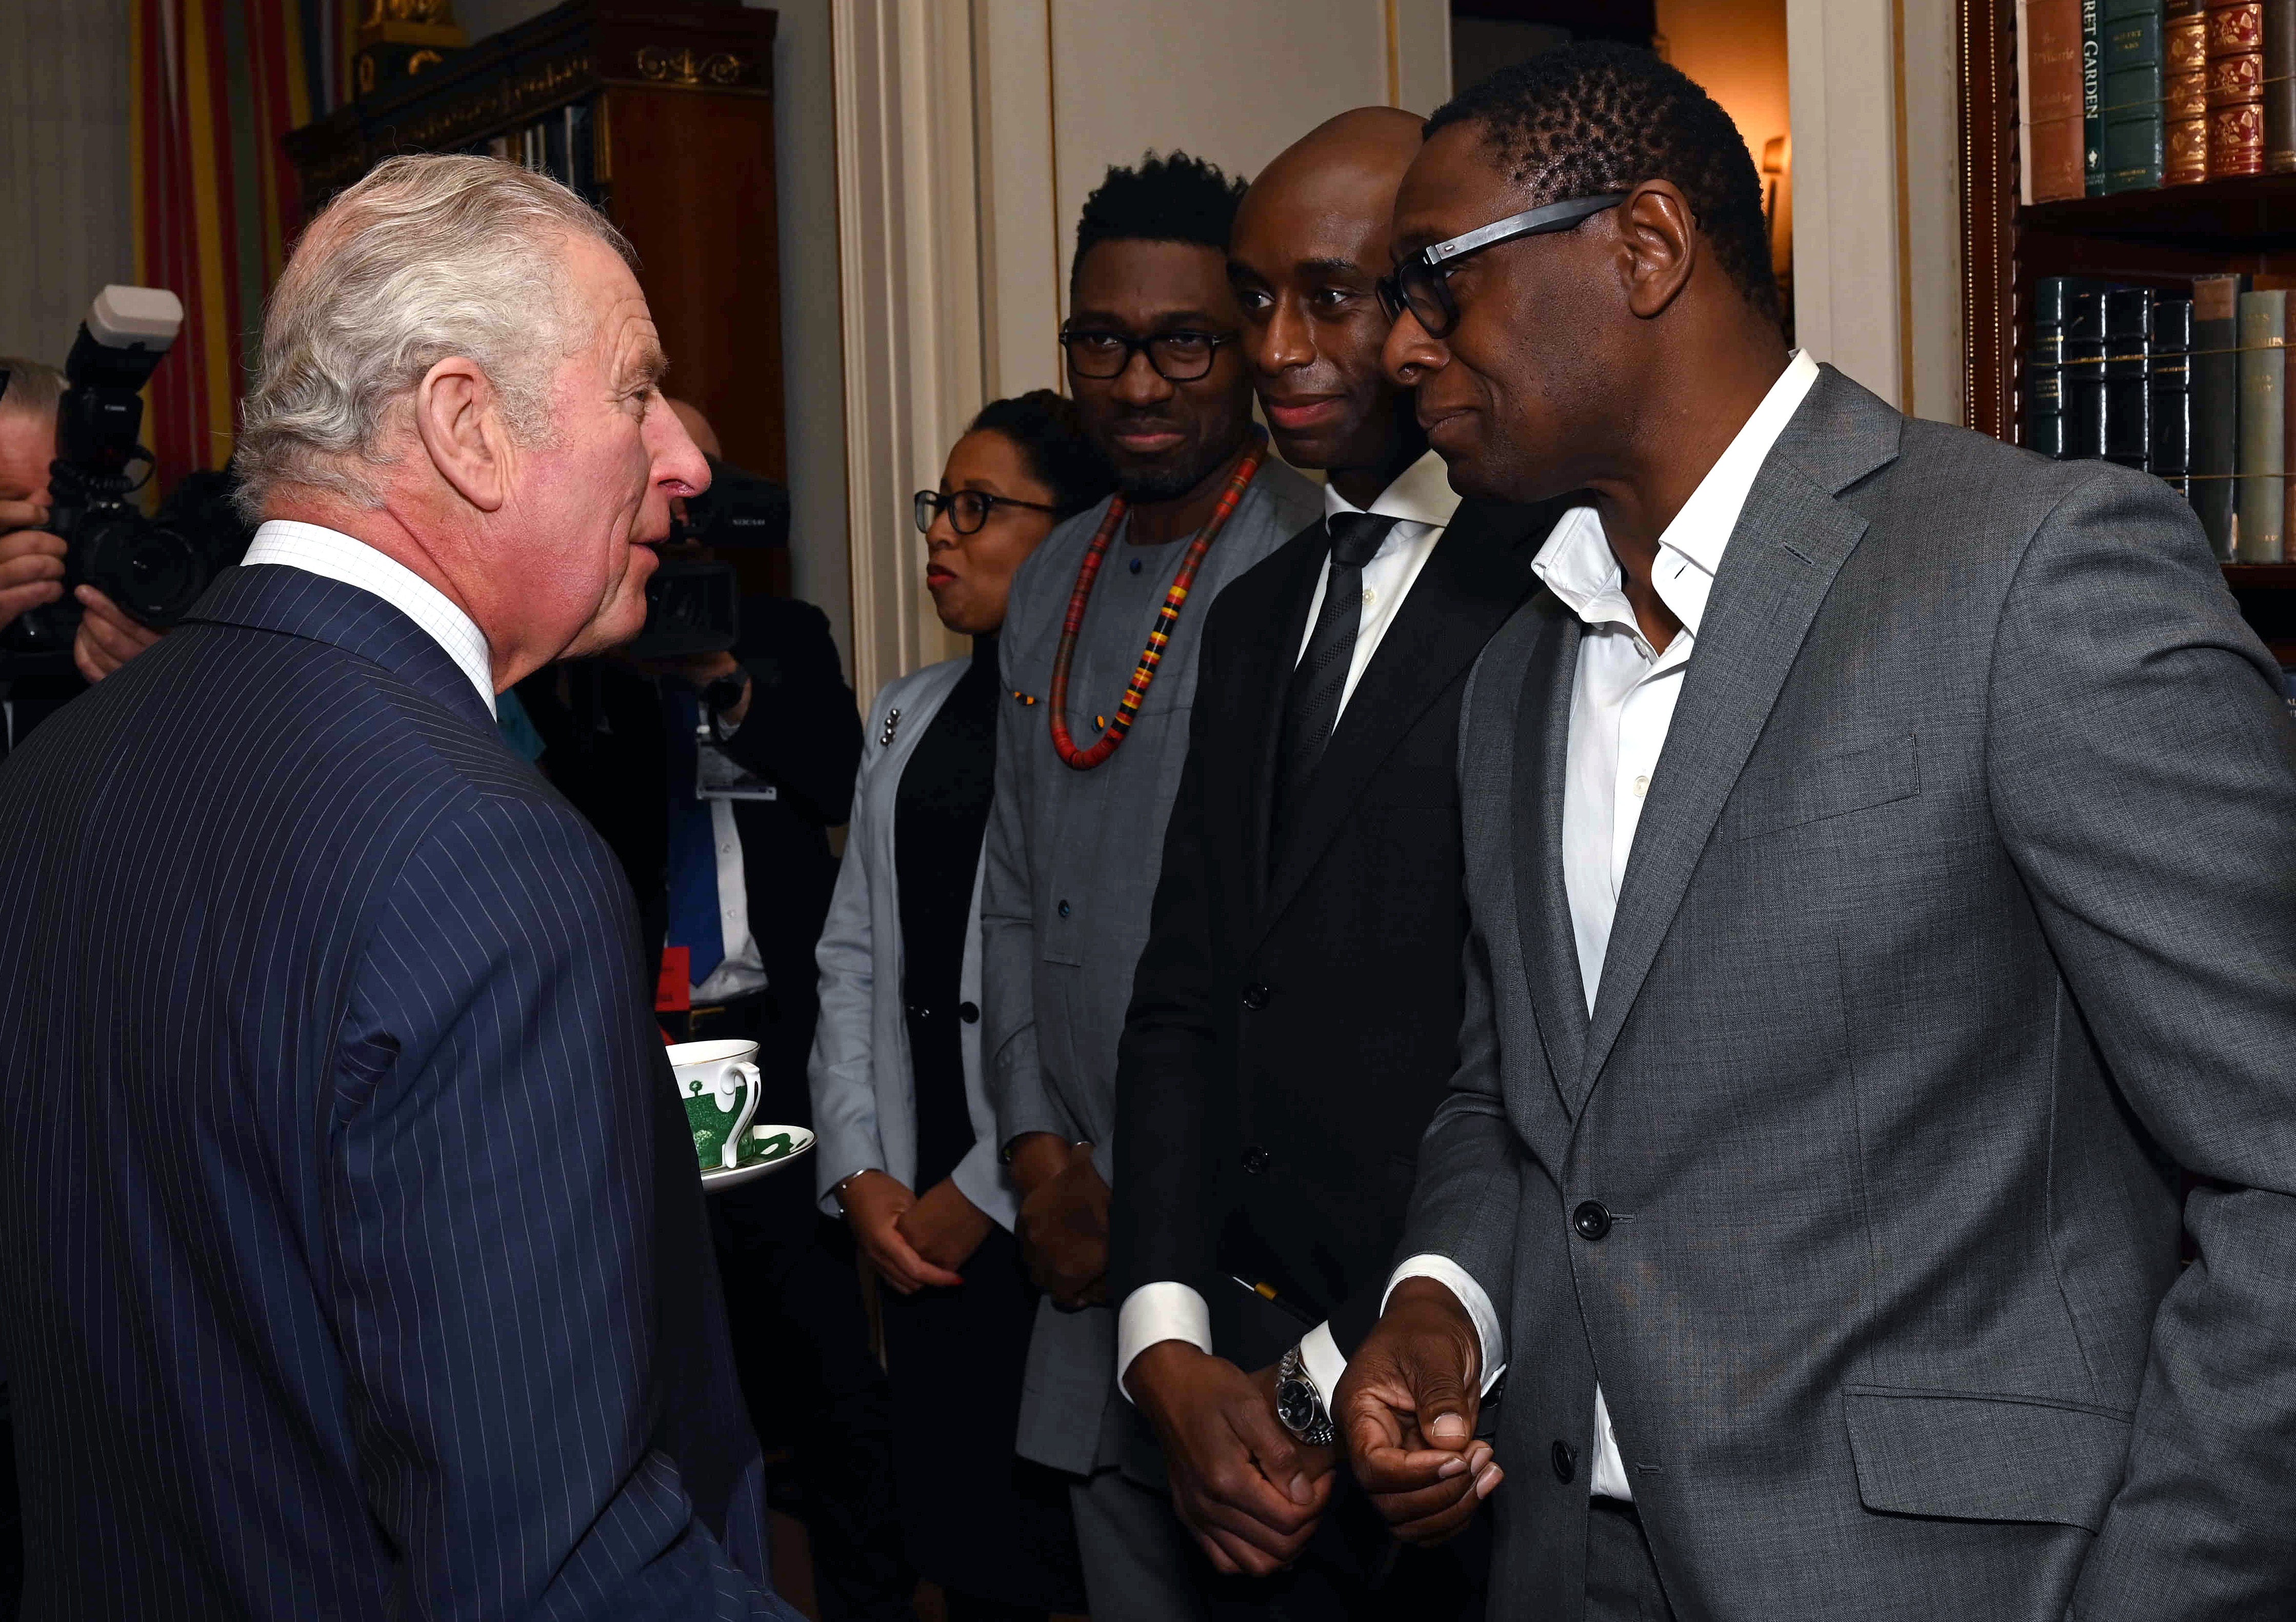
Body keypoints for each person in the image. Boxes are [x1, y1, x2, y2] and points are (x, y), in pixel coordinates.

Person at [1334, 43, 2296, 1621]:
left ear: (1641, 247)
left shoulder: (2027, 575)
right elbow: (1521, 1101)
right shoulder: (1512, 671)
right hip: (1564, 1561)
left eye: (1434, 283)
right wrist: (1443, 1304)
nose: (1396, 348)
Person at [0, 154, 802, 1619]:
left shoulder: (66, 766)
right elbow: (554, 1569)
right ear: (465, 426)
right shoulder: (486, 858)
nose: (685, 460)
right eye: (636, 389)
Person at [1110, 107, 1571, 1621]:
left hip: (1463, 1411)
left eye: (1335, 294)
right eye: (1253, 300)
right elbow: (1186, 998)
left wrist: (1368, 1357)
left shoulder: (1560, 596)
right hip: (1241, 1411)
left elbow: (1533, 1061)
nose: (1278, 346)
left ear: (1439, 294)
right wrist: (1169, 1349)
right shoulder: (1252, 616)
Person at [981, 152, 1323, 1622]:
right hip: (1070, 1258)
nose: (1136, 383)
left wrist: (1131, 1184)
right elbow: (1009, 889)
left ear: (1246, 344)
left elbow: (1308, 958)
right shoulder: (1052, 572)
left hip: (1245, 1268)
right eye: (1098, 344)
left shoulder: (1318, 561)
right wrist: (1037, 1154)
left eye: (1183, 340)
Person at [513, 404, 906, 1622]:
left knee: (832, 1373)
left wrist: (727, 684)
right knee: (671, 1355)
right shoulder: (583, 650)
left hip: (774, 1041)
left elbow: (837, 772)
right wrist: (619, 676)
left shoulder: (781, 632)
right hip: (641, 1048)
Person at [812, 390, 1114, 1621]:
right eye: (942, 502)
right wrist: (863, 1168)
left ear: (1070, 532)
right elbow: (850, 955)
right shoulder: (906, 710)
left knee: (1060, 1551)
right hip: (907, 1208)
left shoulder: (1108, 726)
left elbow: (1102, 991)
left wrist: (982, 1190)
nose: (943, 531)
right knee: (958, 1554)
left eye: (979, 507)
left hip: (1043, 1203)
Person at [0, 357, 165, 756]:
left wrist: (161, 686)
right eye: (11, 502)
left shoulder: (145, 595)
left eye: (68, 497)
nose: (47, 525)